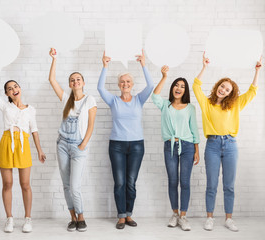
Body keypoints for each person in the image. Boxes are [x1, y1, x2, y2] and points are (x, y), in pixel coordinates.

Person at [193, 53, 262, 232]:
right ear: (218, 86)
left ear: (231, 94)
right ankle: (210, 218)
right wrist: (204, 67)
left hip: (230, 146)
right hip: (212, 146)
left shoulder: (235, 105)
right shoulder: (207, 104)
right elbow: (195, 86)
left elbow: (252, 91)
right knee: (212, 184)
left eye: (227, 90)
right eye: (222, 86)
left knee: (229, 185)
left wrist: (257, 71)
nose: (223, 90)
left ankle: (228, 219)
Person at [0, 58, 46, 233]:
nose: (13, 89)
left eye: (15, 86)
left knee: (25, 184)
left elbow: (34, 130)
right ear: (7, 94)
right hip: (7, 142)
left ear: (20, 89)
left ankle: (28, 219)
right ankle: (9, 218)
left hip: (23, 146)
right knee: (7, 183)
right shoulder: (5, 107)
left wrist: (39, 150)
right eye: (9, 89)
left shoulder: (31, 109)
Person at [98, 50, 154, 229]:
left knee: (131, 182)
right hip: (117, 146)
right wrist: (105, 66)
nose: (125, 84)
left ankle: (129, 214)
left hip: (137, 145)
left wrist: (143, 64)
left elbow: (151, 85)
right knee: (120, 182)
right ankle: (121, 216)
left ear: (132, 84)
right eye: (122, 82)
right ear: (119, 85)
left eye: (128, 81)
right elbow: (100, 88)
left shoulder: (139, 99)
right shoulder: (113, 101)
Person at [48, 48, 97, 232]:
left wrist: (83, 144)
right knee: (66, 184)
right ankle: (73, 218)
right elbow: (52, 80)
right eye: (72, 79)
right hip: (62, 144)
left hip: (79, 147)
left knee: (75, 186)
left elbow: (91, 125)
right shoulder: (65, 99)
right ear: (70, 84)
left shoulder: (90, 100)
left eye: (78, 79)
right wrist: (54, 59)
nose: (75, 81)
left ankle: (82, 217)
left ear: (83, 82)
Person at [152, 65, 200, 231]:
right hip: (170, 146)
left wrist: (196, 151)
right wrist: (164, 77)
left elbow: (194, 130)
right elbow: (155, 95)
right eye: (176, 85)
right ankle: (175, 214)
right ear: (172, 88)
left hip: (187, 146)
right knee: (173, 181)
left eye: (182, 86)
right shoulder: (165, 105)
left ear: (185, 91)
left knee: (185, 181)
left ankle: (184, 216)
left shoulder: (190, 108)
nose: (179, 88)